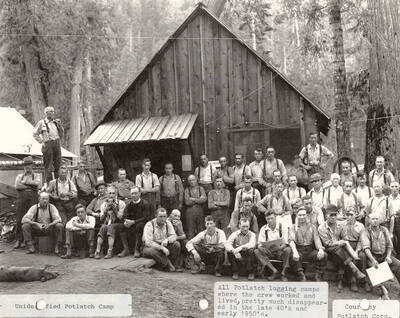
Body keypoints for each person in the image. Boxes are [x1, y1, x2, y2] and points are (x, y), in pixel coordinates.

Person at [318, 205, 366, 292]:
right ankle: (354, 273)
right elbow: (327, 243)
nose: (333, 217)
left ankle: (344, 280)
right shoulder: (321, 227)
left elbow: (344, 238)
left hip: (340, 250)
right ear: (326, 216)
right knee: (340, 251)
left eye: (335, 215)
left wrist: (342, 243)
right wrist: (338, 242)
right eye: (331, 215)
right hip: (329, 251)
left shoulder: (340, 225)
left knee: (342, 252)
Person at [361, 212, 400, 297]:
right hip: (373, 256)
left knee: (398, 264)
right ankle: (383, 291)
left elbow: (389, 246)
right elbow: (366, 248)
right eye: (373, 219)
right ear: (369, 220)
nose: (375, 221)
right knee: (374, 267)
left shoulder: (384, 230)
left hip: (384, 255)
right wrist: (373, 260)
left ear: (379, 220)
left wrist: (388, 256)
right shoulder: (365, 231)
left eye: (376, 219)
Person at [288, 207, 327, 281]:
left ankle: (318, 275)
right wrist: (295, 252)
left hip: (310, 250)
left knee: (324, 255)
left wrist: (320, 249)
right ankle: (301, 275)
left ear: (307, 216)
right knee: (293, 256)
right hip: (299, 249)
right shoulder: (293, 227)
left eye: (303, 215)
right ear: (296, 216)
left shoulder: (312, 227)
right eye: (300, 215)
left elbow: (316, 239)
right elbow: (291, 240)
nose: (302, 217)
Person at [255, 210, 292, 281]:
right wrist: (264, 246)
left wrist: (280, 247)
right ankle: (274, 271)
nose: (270, 220)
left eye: (272, 218)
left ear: (276, 218)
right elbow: (260, 244)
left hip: (280, 250)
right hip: (269, 251)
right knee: (257, 251)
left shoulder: (282, 226)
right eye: (268, 219)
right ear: (266, 219)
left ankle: (283, 273)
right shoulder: (263, 229)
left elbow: (286, 243)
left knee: (288, 250)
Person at [14, 156, 42, 249]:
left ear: (32, 165)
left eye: (29, 165)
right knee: (19, 219)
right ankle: (19, 239)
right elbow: (17, 186)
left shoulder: (37, 175)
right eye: (25, 165)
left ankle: (31, 240)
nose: (27, 167)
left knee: (32, 219)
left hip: (33, 200)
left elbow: (37, 184)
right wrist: (30, 186)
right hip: (21, 200)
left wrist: (25, 182)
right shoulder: (19, 176)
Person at [142, 208, 181, 272]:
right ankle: (168, 265)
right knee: (152, 251)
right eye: (160, 217)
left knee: (176, 244)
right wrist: (161, 248)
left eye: (164, 216)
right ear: (156, 216)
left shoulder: (167, 223)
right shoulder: (150, 224)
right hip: (150, 247)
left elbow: (174, 235)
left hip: (163, 244)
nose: (163, 219)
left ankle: (173, 264)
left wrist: (167, 240)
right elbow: (148, 242)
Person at [33, 106, 64, 184]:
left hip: (57, 144)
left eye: (53, 111)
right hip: (47, 144)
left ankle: (58, 184)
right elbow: (35, 134)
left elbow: (61, 135)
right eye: (50, 111)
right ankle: (49, 185)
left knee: (58, 165)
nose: (52, 113)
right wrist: (41, 141)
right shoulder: (42, 122)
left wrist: (59, 125)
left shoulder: (56, 122)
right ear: (46, 113)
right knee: (48, 167)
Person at [339, 207, 367, 292]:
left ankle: (363, 281)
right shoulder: (341, 224)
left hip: (357, 245)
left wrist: (357, 250)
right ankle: (352, 281)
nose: (349, 217)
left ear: (355, 215)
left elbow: (361, 240)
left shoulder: (360, 225)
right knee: (348, 257)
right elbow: (339, 237)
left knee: (362, 256)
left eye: (351, 214)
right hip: (345, 245)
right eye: (347, 215)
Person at [94, 186, 126, 259]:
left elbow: (120, 218)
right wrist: (105, 211)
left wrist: (114, 209)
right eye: (110, 193)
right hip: (108, 223)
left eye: (113, 193)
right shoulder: (104, 204)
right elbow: (101, 219)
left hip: (119, 224)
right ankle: (97, 251)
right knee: (103, 227)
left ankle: (110, 251)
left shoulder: (121, 203)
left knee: (110, 227)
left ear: (116, 194)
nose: (111, 195)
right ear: (107, 194)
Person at [119, 186, 151, 257]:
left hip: (141, 223)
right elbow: (125, 215)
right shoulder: (129, 204)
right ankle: (126, 249)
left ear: (139, 194)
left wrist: (133, 222)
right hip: (131, 223)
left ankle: (136, 249)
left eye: (135, 193)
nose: (134, 195)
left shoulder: (145, 203)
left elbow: (146, 217)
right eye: (132, 193)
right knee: (121, 227)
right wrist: (126, 221)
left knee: (139, 226)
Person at [184, 175, 207, 239]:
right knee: (190, 230)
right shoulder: (187, 190)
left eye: (193, 180)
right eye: (190, 180)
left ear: (196, 180)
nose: (192, 182)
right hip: (190, 211)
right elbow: (187, 202)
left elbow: (204, 199)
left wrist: (193, 199)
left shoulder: (201, 189)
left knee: (201, 229)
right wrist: (199, 199)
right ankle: (190, 246)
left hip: (200, 210)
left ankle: (201, 246)